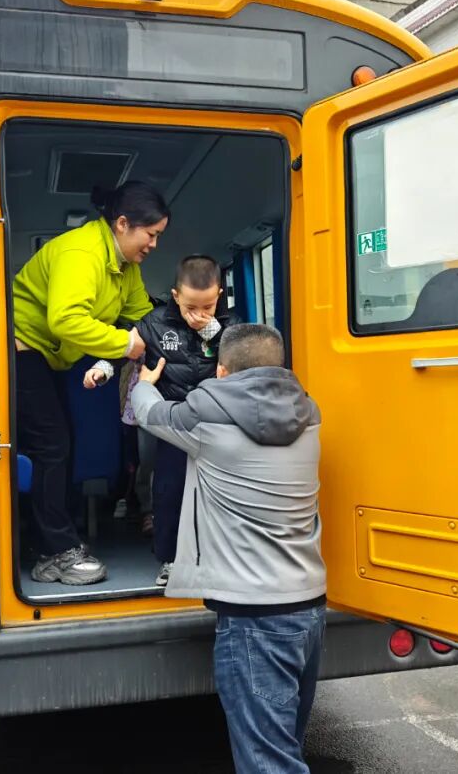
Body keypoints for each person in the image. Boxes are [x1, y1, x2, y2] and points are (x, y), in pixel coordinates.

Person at [131, 324, 325, 774]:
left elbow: (150, 414)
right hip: (309, 607)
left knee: (267, 762)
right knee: (283, 748)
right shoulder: (310, 415)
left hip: (254, 618)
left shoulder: (206, 419)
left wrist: (143, 384)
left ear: (221, 370)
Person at [11, 181, 168, 585]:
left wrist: (170, 339)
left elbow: (140, 315)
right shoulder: (82, 253)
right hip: (22, 348)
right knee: (51, 444)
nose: (153, 244)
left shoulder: (126, 268)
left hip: (52, 355)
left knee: (64, 442)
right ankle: (53, 553)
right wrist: (125, 343)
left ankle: (54, 537)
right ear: (122, 224)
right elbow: (64, 320)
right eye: (151, 235)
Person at [85, 255, 232, 585]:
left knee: (218, 496)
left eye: (208, 306)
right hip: (175, 424)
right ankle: (170, 561)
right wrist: (102, 370)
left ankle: (216, 560)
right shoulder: (154, 323)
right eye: (191, 306)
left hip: (218, 426)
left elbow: (243, 353)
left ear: (219, 295)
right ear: (176, 295)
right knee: (170, 492)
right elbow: (124, 349)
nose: (199, 314)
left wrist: (212, 329)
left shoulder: (229, 324)